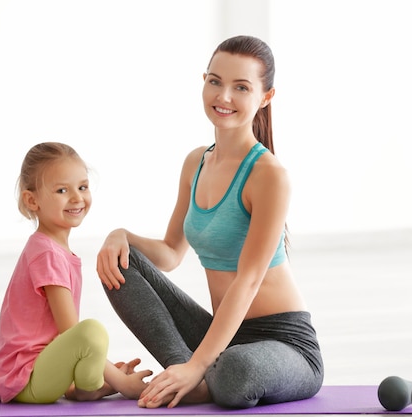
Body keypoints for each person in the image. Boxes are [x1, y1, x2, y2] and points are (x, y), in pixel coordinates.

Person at [96, 35, 324, 409]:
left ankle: (196, 374)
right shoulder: (196, 163)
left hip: (285, 344)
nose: (224, 97)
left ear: (265, 97)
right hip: (226, 334)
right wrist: (119, 235)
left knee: (235, 371)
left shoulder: (269, 175)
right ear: (203, 80)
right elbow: (170, 253)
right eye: (215, 81)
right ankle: (189, 378)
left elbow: (248, 280)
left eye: (241, 87)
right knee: (121, 263)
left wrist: (199, 362)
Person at [0, 142, 152, 404]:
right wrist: (123, 384)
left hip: (40, 371)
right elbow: (71, 331)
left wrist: (99, 368)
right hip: (26, 378)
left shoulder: (52, 249)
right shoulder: (47, 254)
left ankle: (87, 386)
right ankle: (90, 388)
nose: (77, 198)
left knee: (89, 335)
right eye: (62, 190)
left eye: (82, 187)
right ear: (32, 200)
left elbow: (59, 335)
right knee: (92, 332)